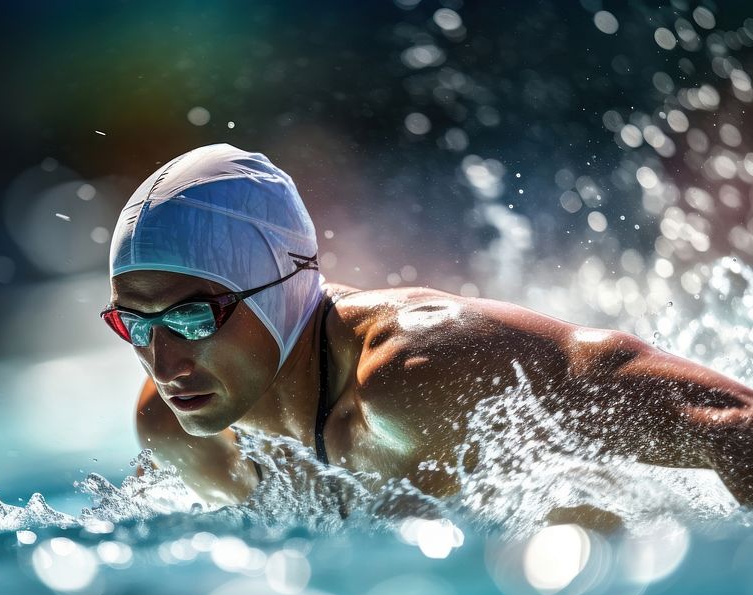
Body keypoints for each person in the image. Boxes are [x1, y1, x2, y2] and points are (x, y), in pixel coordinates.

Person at [101, 143, 753, 513]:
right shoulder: (179, 430)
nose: (162, 361)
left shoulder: (423, 371)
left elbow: (732, 426)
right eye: (133, 322)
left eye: (191, 316)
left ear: (279, 289)